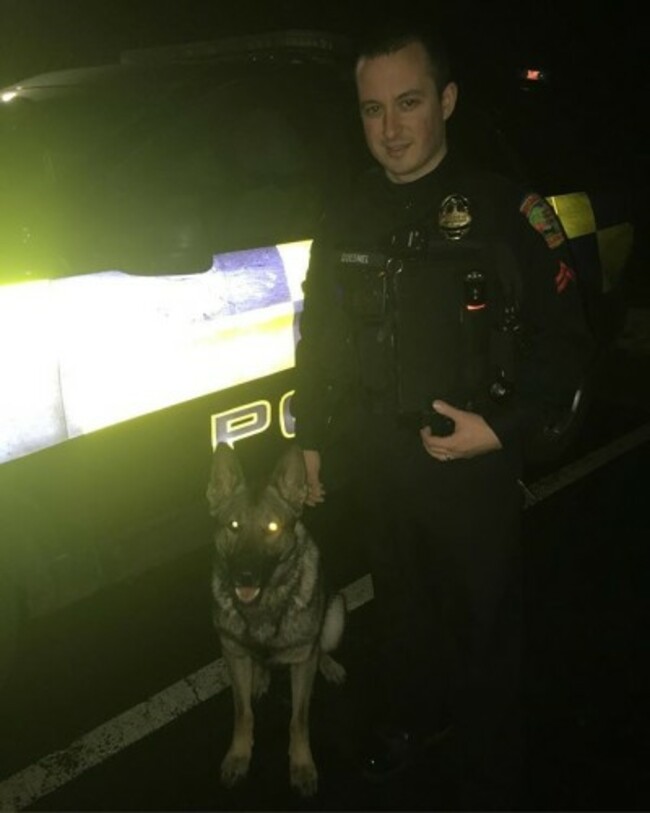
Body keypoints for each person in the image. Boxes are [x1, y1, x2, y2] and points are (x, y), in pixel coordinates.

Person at [291, 17, 594, 810]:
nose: (390, 129)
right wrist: (313, 439)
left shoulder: (507, 209)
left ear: (448, 100)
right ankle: (412, 729)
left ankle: (493, 778)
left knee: (486, 637)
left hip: (472, 468)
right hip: (380, 469)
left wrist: (500, 430)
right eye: (372, 110)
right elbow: (317, 331)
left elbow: (568, 341)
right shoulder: (347, 212)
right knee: (399, 617)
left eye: (410, 102)